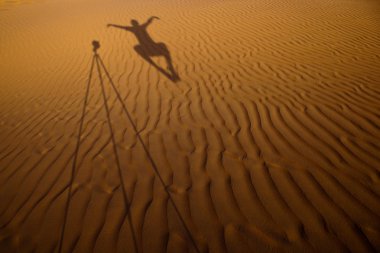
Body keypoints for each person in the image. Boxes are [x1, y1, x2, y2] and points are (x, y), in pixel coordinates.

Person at [107, 17, 179, 82]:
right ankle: (168, 65)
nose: (135, 24)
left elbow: (148, 22)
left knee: (163, 47)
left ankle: (169, 65)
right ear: (136, 23)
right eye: (134, 23)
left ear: (134, 24)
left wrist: (112, 25)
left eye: (134, 23)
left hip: (150, 45)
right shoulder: (140, 27)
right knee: (138, 47)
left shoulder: (134, 28)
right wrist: (113, 25)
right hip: (149, 46)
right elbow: (148, 22)